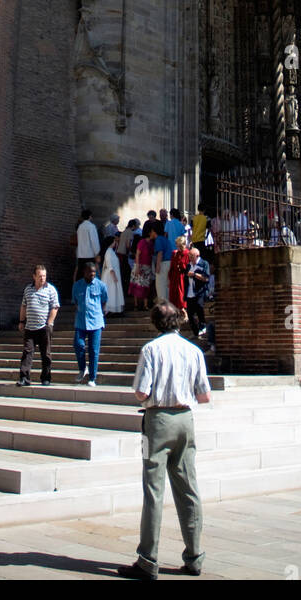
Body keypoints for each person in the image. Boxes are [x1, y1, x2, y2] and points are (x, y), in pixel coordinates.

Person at [117, 301, 211, 581]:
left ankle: (148, 559)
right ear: (179, 321)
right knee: (188, 487)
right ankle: (194, 556)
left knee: (154, 489)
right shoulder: (194, 351)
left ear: (155, 324)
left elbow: (141, 393)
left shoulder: (150, 350)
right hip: (185, 420)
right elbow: (205, 395)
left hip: (157, 422)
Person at [16, 264, 59, 387]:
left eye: (44, 276)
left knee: (46, 353)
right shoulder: (28, 290)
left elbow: (55, 307)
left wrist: (49, 323)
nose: (42, 278)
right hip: (30, 327)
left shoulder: (51, 290)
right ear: (34, 276)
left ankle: (46, 378)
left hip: (44, 327)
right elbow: (24, 306)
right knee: (27, 352)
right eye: (40, 276)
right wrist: (21, 321)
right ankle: (24, 378)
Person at [72, 261, 108, 386]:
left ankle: (92, 378)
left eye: (94, 272)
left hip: (96, 321)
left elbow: (104, 301)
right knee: (78, 344)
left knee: (93, 350)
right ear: (84, 272)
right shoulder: (77, 286)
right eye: (90, 272)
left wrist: (99, 313)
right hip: (81, 321)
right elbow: (75, 301)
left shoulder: (101, 285)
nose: (92, 274)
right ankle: (83, 368)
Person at [129, 220, 156, 310]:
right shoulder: (142, 242)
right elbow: (137, 254)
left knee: (146, 286)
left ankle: (145, 305)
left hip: (147, 267)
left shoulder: (151, 243)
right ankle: (136, 305)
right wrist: (137, 267)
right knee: (137, 285)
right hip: (140, 266)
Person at [185, 248, 210, 336]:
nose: (190, 258)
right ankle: (195, 332)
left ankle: (202, 326)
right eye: (189, 256)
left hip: (199, 291)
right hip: (190, 293)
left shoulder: (204, 264)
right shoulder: (188, 265)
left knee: (199, 308)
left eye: (192, 256)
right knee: (190, 314)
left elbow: (206, 278)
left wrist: (195, 275)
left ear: (197, 256)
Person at [74, 209, 101, 281]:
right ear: (90, 216)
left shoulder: (80, 227)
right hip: (90, 255)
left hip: (81, 255)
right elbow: (94, 240)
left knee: (80, 275)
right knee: (90, 275)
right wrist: (97, 253)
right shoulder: (91, 226)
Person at [168, 234, 191, 317]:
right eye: (178, 246)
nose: (179, 248)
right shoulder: (175, 254)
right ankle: (177, 314)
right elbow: (171, 267)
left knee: (181, 297)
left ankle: (184, 312)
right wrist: (169, 279)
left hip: (183, 278)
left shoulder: (188, 254)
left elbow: (188, 267)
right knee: (174, 296)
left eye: (180, 246)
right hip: (175, 278)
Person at [102, 236, 124, 314]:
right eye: (114, 241)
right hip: (110, 276)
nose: (115, 243)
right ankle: (108, 310)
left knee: (114, 292)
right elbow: (109, 264)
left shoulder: (111, 251)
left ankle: (114, 310)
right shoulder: (108, 252)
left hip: (113, 275)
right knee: (111, 292)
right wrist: (113, 275)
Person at [153, 220, 174, 303]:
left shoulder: (158, 239)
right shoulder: (166, 239)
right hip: (169, 263)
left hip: (163, 263)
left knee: (160, 286)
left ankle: (162, 305)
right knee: (167, 286)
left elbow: (160, 253)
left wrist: (157, 266)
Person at [116, 218, 138, 296]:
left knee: (123, 272)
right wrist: (132, 252)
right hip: (123, 254)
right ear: (133, 226)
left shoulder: (124, 231)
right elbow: (128, 245)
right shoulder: (130, 233)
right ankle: (126, 291)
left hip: (119, 253)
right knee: (126, 273)